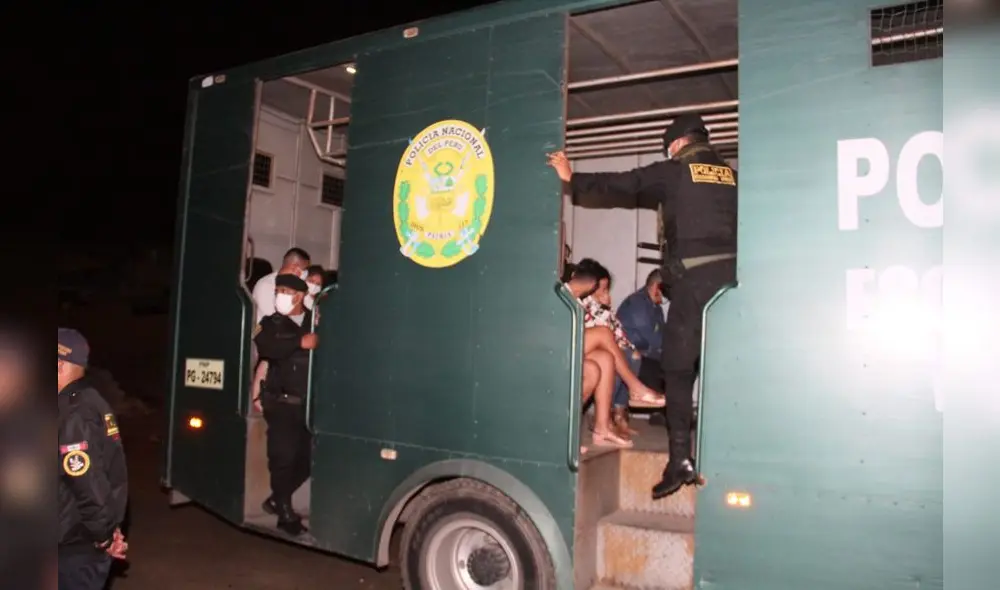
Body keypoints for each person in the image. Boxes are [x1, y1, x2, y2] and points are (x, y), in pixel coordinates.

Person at [548, 113, 737, 499]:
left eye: (669, 146)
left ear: (679, 143)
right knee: (723, 364)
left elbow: (626, 182)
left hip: (694, 282)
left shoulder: (677, 169)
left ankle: (681, 460)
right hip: (732, 285)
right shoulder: (731, 176)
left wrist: (573, 178)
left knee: (678, 369)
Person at [57, 328, 128, 590]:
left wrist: (105, 536)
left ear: (60, 364)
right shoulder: (89, 401)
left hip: (74, 546)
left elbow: (86, 480)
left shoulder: (73, 412)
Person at [253, 274, 317, 535]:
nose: (279, 294)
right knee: (283, 457)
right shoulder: (271, 323)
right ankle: (285, 514)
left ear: (300, 295)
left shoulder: (316, 319)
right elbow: (266, 345)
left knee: (309, 459)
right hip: (282, 403)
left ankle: (277, 499)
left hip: (309, 405)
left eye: (285, 290)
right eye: (277, 289)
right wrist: (299, 342)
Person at [617, 269, 667, 390]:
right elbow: (653, 340)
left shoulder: (656, 308)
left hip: (648, 355)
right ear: (656, 287)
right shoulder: (638, 303)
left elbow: (663, 336)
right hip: (633, 357)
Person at [252, 247, 312, 323]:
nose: (306, 274)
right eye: (305, 270)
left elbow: (309, 308)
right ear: (295, 269)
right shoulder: (266, 285)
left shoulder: (298, 284)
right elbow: (276, 322)